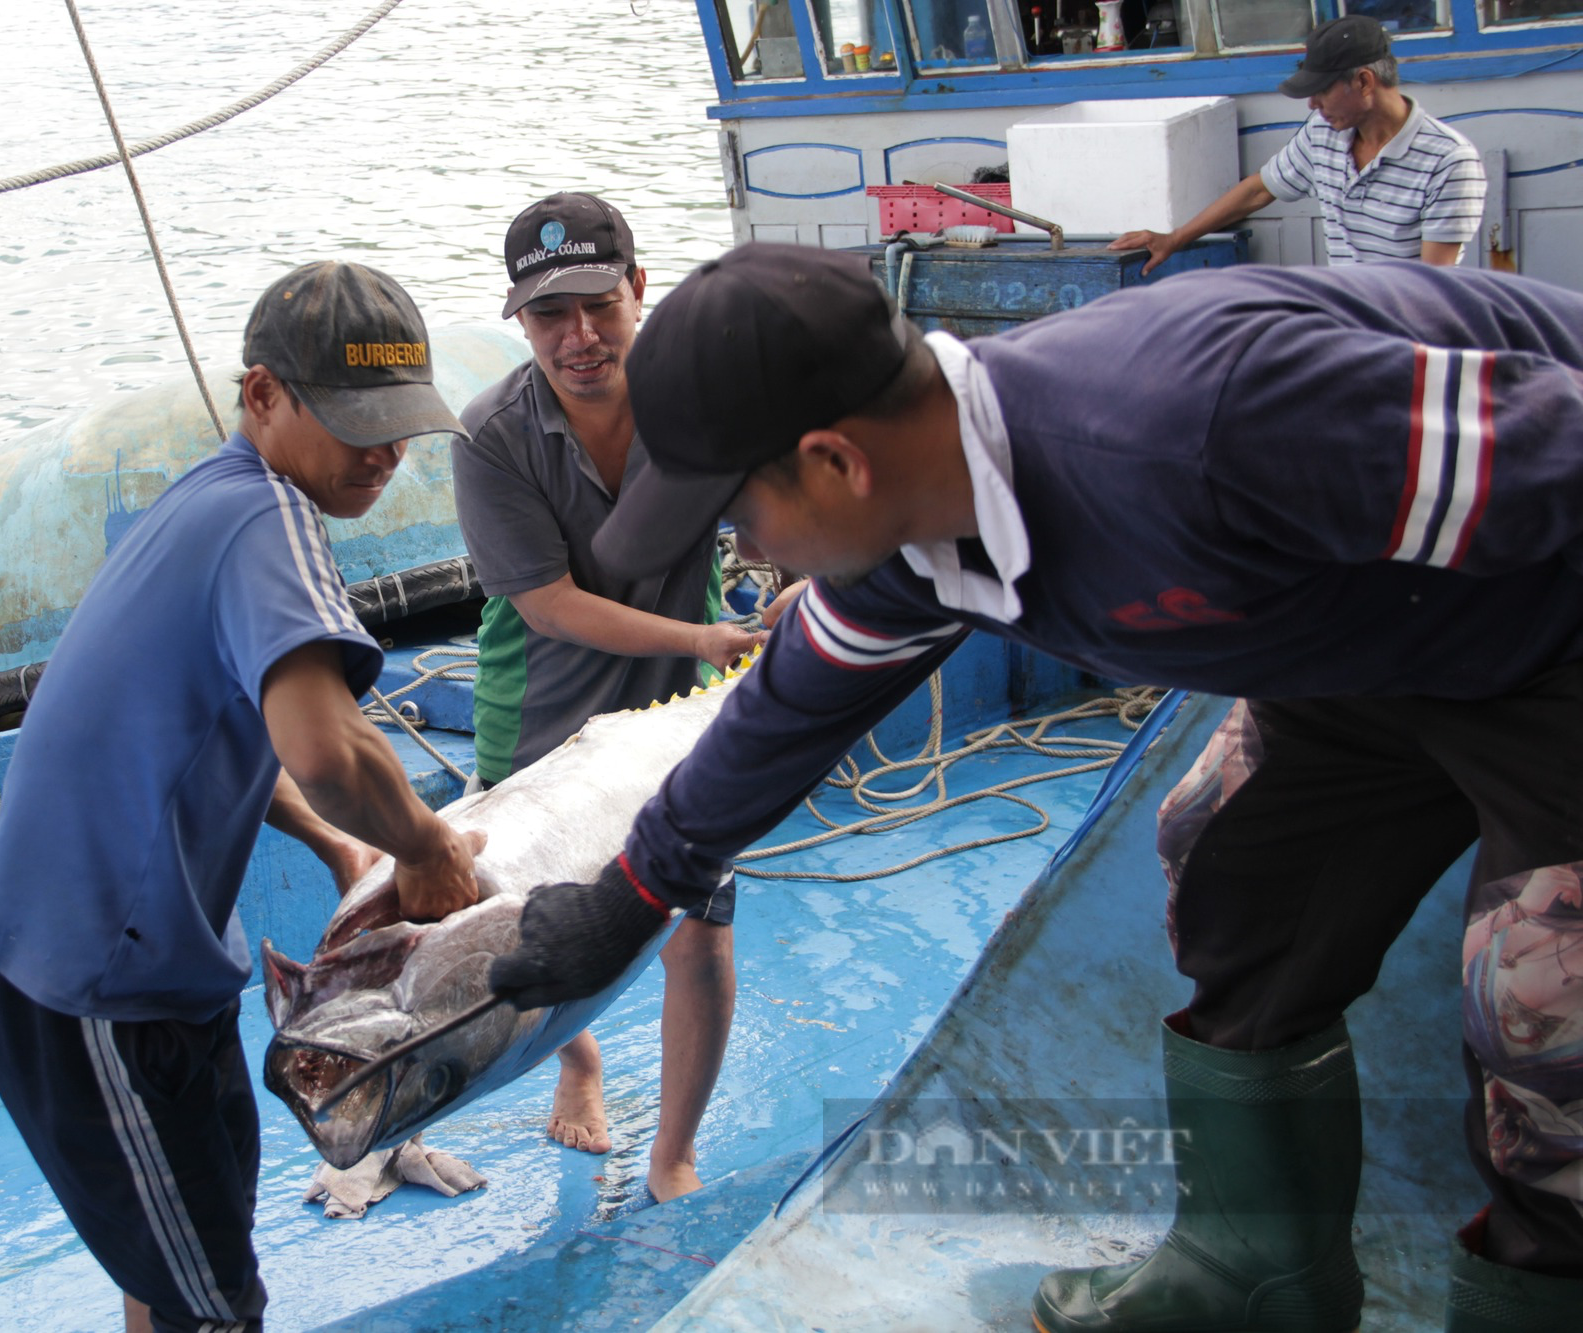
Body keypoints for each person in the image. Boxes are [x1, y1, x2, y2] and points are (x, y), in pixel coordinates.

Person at [487, 243, 1583, 1331]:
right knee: (1219, 857)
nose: (741, 543)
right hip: (1359, 646)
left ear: (833, 461)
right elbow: (785, 711)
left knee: (1542, 1000)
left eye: (736, 514)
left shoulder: (1206, 426)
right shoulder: (912, 541)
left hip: (1548, 640)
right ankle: (1254, 1270)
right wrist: (631, 894)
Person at [0, 260, 487, 1333]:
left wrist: (343, 853)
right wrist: (424, 848)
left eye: (398, 424)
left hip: (103, 970)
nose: (383, 453)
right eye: (352, 423)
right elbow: (326, 747)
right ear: (261, 397)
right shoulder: (266, 522)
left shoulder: (205, 501)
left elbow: (220, 725)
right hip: (98, 989)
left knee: (180, 1262)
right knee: (213, 1303)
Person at [451, 192, 759, 1203]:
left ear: (637, 289)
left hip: (679, 711)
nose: (579, 337)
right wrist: (708, 636)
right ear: (519, 320)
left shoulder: (700, 399)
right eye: (549, 316)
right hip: (542, 705)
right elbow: (546, 603)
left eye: (597, 304)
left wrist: (793, 568)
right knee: (534, 919)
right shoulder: (491, 434)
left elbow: (764, 513)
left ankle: (671, 1147)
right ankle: (576, 1059)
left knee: (701, 928)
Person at [1111, 15, 1486, 273]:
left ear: (1365, 83)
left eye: (1321, 91)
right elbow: (1260, 190)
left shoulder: (1449, 161)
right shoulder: (1322, 133)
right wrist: (1175, 239)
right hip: (1343, 328)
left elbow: (1434, 287)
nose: (1312, 104)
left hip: (1405, 340)